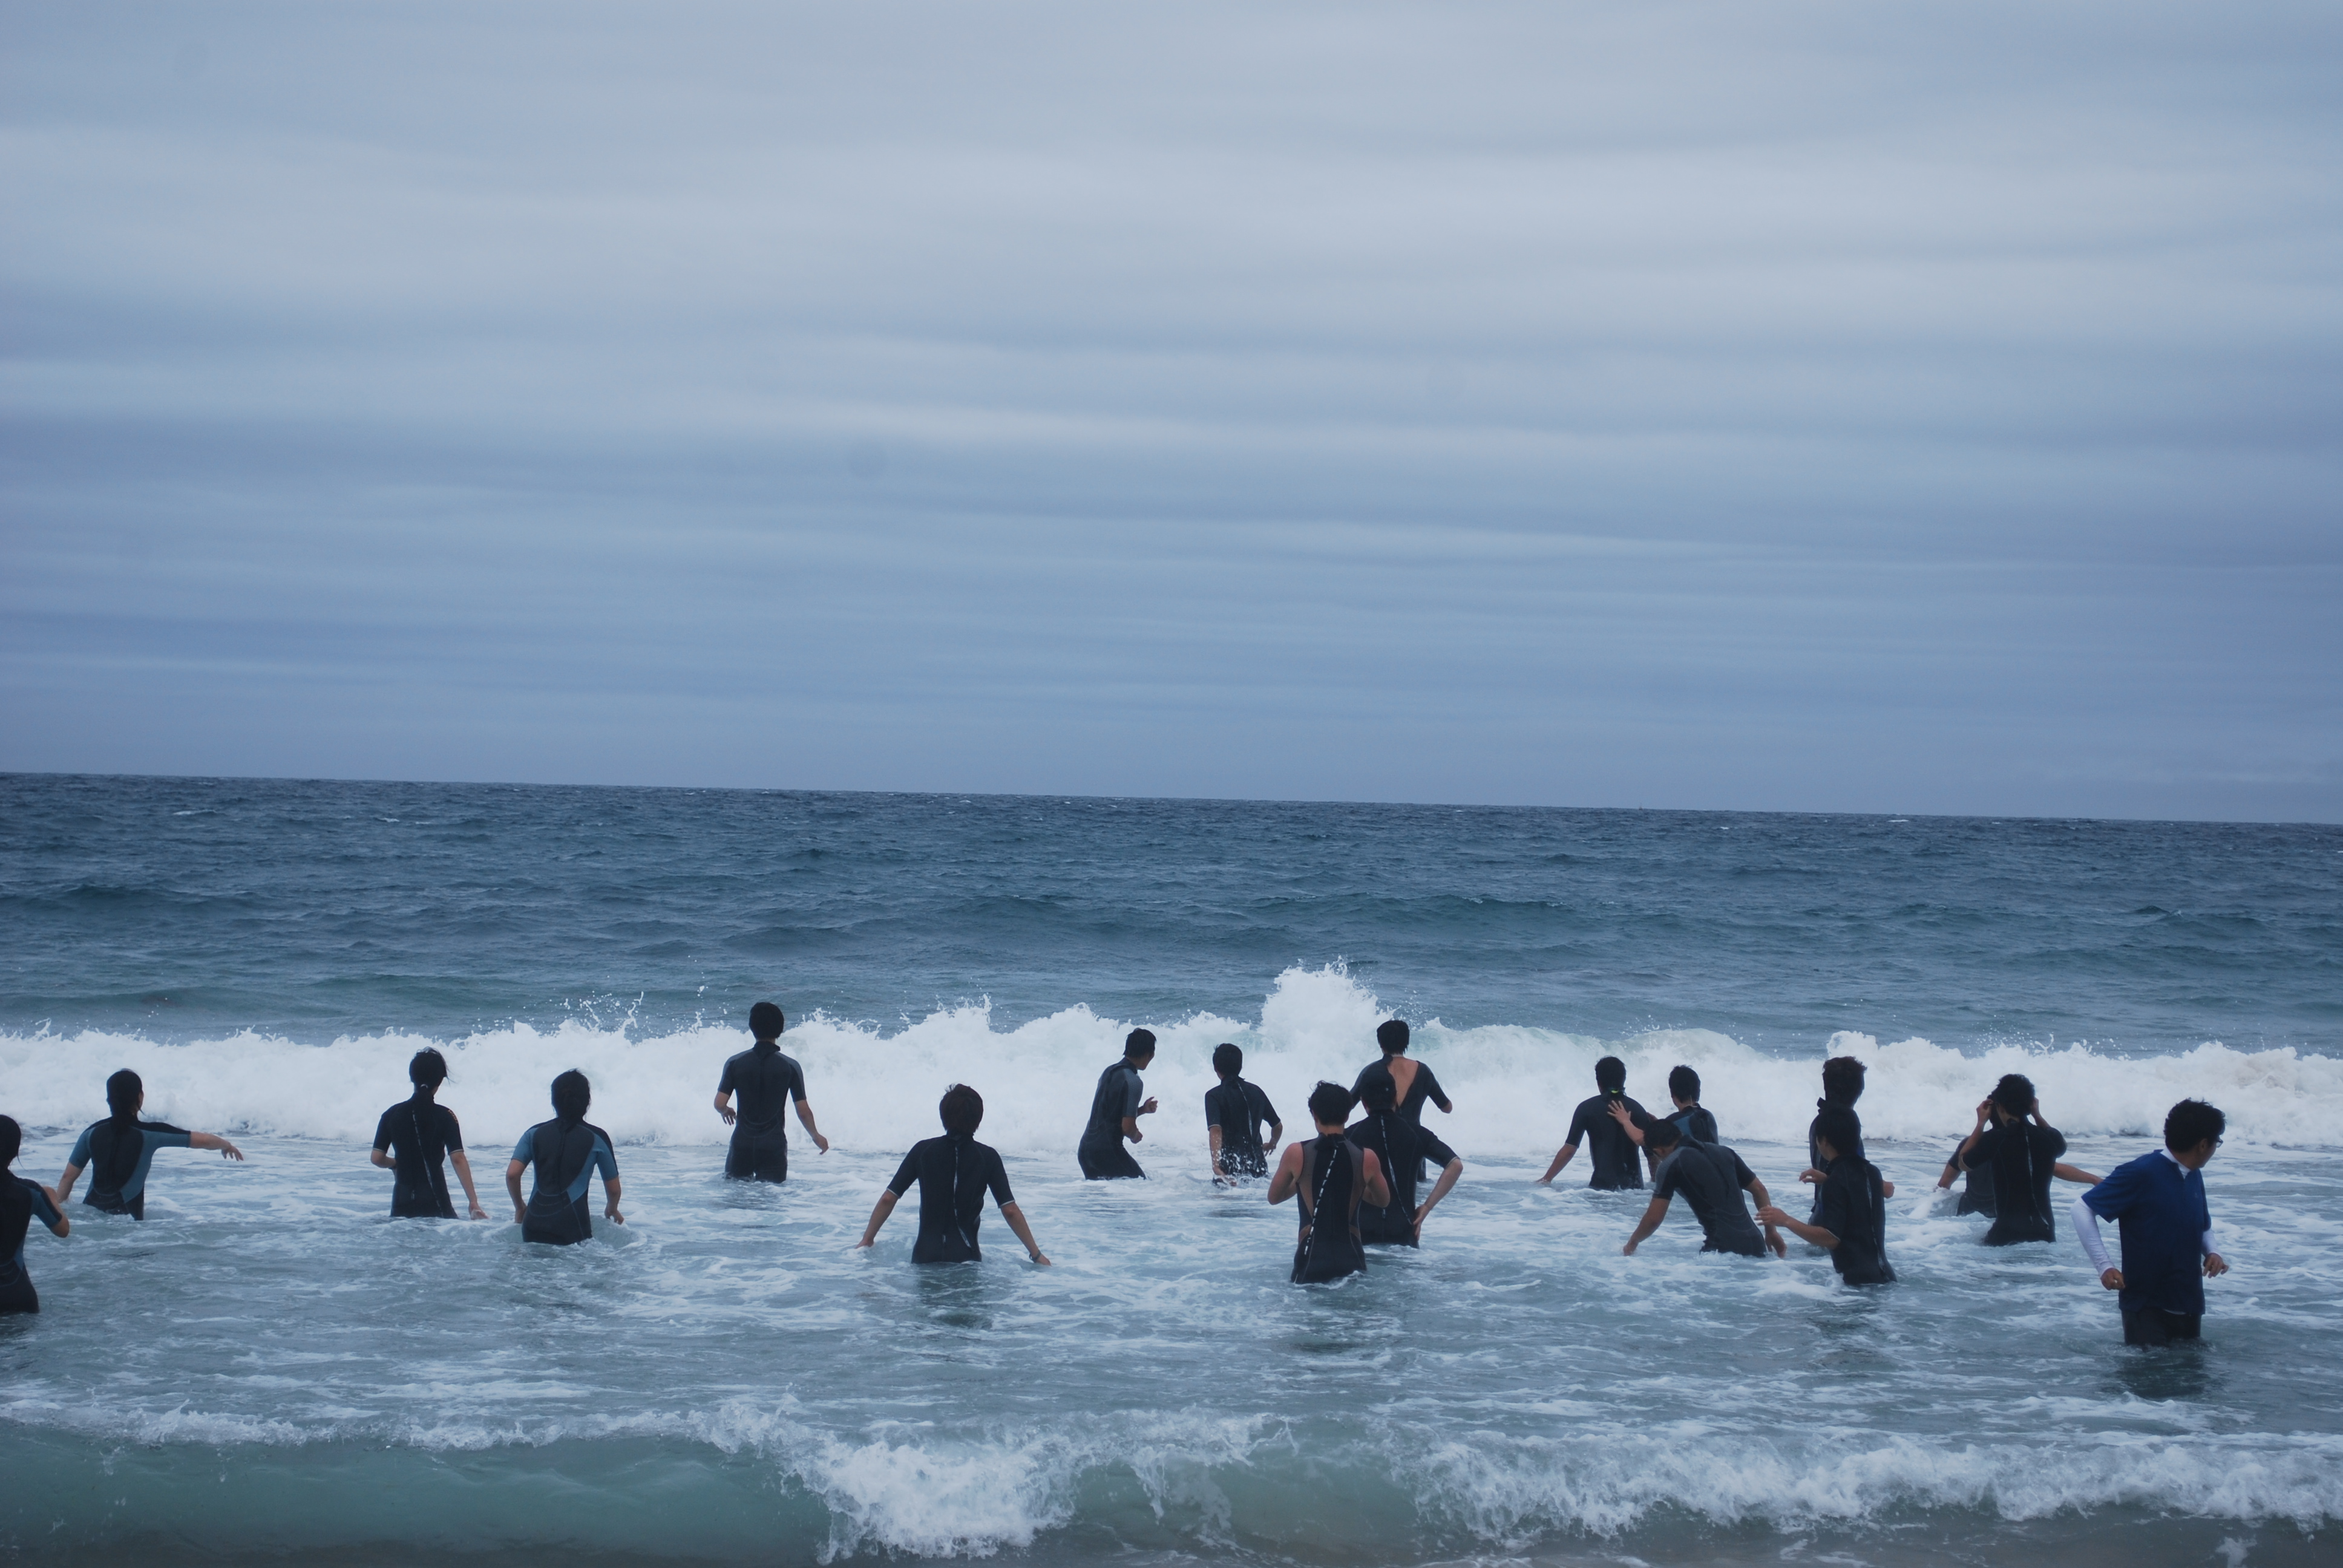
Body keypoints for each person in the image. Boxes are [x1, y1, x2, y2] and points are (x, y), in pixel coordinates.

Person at [2074, 1099, 2229, 1346]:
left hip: (2189, 1302)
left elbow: (2202, 1224)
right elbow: (2082, 1209)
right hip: (2145, 1307)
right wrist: (2104, 1266)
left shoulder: (2193, 1174)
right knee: (2149, 1372)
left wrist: (2213, 1251)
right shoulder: (2141, 1172)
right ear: (2203, 1145)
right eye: (2216, 1142)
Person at [856, 1084, 1050, 1265]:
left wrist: (867, 1239)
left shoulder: (922, 1151)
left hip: (925, 1255)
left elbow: (888, 1199)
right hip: (966, 1258)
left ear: (943, 1115)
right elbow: (1010, 1211)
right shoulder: (988, 1157)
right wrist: (1036, 1255)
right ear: (979, 1119)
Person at [56, 1069, 244, 1218]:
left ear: (109, 1099)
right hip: (129, 1225)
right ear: (140, 1097)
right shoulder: (150, 1134)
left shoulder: (90, 1133)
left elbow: (67, 1178)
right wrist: (226, 1145)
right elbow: (203, 1140)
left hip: (90, 1219)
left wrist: (60, 1214)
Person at [1759, 1105, 1895, 1285]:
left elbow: (1831, 1238)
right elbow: (1879, 1190)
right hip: (1885, 1276)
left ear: (1823, 1141)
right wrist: (1828, 1179)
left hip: (1857, 1281)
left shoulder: (1836, 1180)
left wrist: (1786, 1220)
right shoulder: (1872, 1172)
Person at [1270, 1082, 1389, 1283]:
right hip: (1352, 1259)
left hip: (1310, 1260)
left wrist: (1301, 1182)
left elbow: (1274, 1198)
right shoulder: (1366, 1157)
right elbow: (1383, 1201)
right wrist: (1357, 1187)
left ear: (1314, 1114)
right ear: (1347, 1116)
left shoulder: (1297, 1153)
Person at [1619, 1116, 1783, 1258]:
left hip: (1722, 1251)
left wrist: (1632, 1243)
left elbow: (1654, 1219)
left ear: (1659, 1151)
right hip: (1757, 1244)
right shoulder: (1725, 1152)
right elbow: (1760, 1189)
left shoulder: (1671, 1164)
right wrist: (1771, 1232)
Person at [714, 1001, 829, 1182]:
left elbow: (719, 1103)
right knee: (770, 1197)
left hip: (741, 1144)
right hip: (773, 1146)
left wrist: (725, 1111)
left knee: (735, 1196)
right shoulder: (790, 1066)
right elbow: (803, 1111)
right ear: (780, 1029)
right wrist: (816, 1136)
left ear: (752, 1027)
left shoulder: (735, 1063)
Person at [1953, 1074, 2073, 1246]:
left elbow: (1963, 1163)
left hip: (2006, 1235)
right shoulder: (2049, 1138)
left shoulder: (1996, 1139)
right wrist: (2037, 1115)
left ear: (2000, 1107)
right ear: (2031, 1104)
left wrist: (1980, 1124)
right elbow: (2061, 1147)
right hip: (2046, 1233)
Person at [506, 1070, 623, 1246]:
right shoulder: (597, 1138)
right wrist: (612, 1208)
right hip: (573, 1228)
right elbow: (614, 1190)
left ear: (554, 1101)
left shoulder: (533, 1133)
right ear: (587, 1102)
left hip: (533, 1225)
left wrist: (520, 1207)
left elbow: (512, 1175)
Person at [370, 1048, 487, 1219]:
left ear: (412, 1078)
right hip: (436, 1202)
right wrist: (473, 1201)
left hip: (401, 1203)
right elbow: (458, 1158)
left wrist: (396, 1164)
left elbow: (377, 1158)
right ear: (440, 1080)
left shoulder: (391, 1114)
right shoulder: (445, 1116)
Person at [1347, 1074, 1462, 1246]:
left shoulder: (1350, 1135)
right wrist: (1426, 1207)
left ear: (1363, 1102)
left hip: (1361, 1239)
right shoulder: (1416, 1133)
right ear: (1395, 1098)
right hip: (1404, 1236)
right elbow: (1455, 1165)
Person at [1352, 1019, 1453, 1175]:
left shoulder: (1372, 1071)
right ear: (1407, 1042)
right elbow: (1447, 1108)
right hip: (1414, 1146)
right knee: (1414, 1188)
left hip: (1378, 1147)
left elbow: (1346, 1105)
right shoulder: (1423, 1071)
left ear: (1381, 1044)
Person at [1539, 1057, 1654, 1189]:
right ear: (1624, 1079)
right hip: (1635, 1189)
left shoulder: (1586, 1108)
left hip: (1601, 1188)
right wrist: (1655, 1182)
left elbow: (1569, 1150)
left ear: (1599, 1082)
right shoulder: (1638, 1109)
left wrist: (1546, 1179)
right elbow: (1651, 1154)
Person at [1801, 1056, 1892, 1215]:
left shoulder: (1820, 1122)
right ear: (1858, 1091)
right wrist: (1881, 1187)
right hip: (1843, 1218)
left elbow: (1836, 1174)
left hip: (1823, 1213)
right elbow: (1851, 1177)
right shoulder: (1844, 1128)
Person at [2, 1116, 70, 1315]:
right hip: (19, 1296)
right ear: (15, 1153)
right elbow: (63, 1230)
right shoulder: (30, 1192)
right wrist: (52, 1198)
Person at [1078, 1028, 1158, 1180]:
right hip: (1107, 1152)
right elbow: (1127, 1128)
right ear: (1150, 1055)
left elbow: (1110, 1116)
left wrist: (1142, 1110)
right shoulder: (1134, 1081)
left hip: (1085, 1152)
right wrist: (1135, 1135)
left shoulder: (1109, 1071)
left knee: (1102, 1195)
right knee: (1141, 1185)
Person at [1205, 1043, 1282, 1181]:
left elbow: (1216, 1130)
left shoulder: (1214, 1096)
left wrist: (1216, 1166)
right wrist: (1272, 1144)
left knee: (1227, 1194)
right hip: (1258, 1168)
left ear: (1216, 1068)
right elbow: (1278, 1126)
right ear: (1240, 1066)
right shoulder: (1257, 1092)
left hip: (1229, 1169)